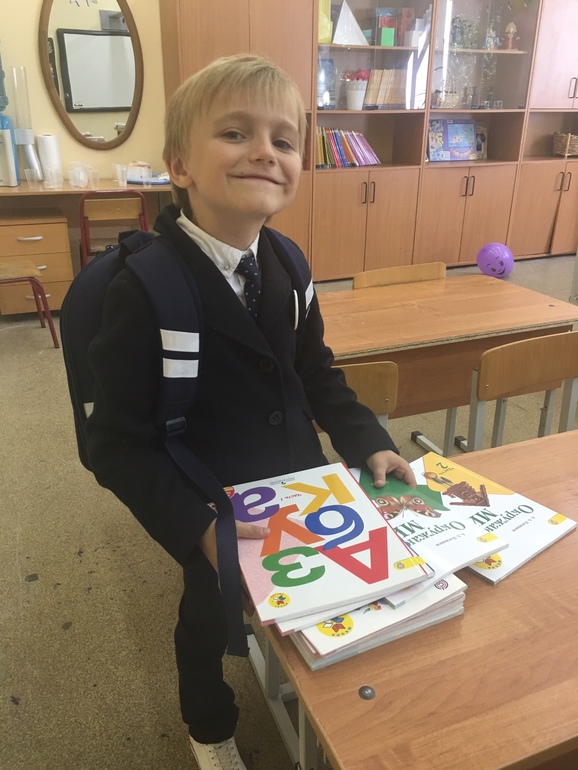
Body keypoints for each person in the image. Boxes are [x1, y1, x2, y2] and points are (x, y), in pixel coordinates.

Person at [86, 53, 416, 770]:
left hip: (302, 479)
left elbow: (313, 370)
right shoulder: (145, 289)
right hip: (208, 496)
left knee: (336, 590)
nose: (265, 151)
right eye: (236, 134)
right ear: (180, 165)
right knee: (207, 617)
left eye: (284, 140)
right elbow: (111, 443)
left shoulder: (290, 263)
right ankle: (208, 726)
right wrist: (197, 528)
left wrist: (366, 440)